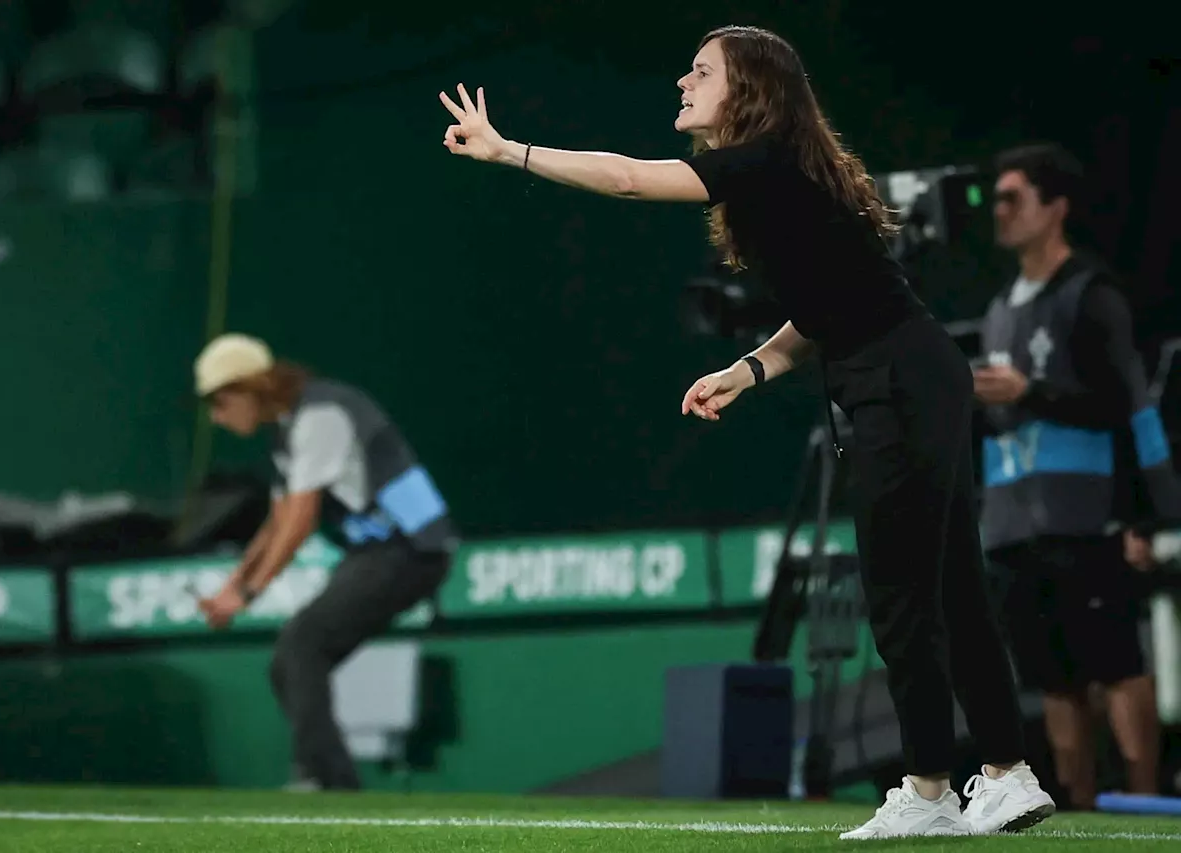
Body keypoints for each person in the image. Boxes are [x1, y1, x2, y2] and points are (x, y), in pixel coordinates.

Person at [439, 25, 1055, 838]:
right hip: (907, 375)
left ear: (750, 91)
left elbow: (627, 180)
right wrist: (751, 368)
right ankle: (997, 776)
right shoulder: (775, 173)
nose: (682, 83)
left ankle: (946, 789)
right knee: (944, 584)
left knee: (907, 593)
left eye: (701, 72)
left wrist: (508, 150)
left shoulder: (761, 157)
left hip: (901, 382)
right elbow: (828, 307)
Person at [975, 143, 1181, 808]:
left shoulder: (1094, 296)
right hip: (1013, 524)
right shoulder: (1001, 306)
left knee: (1118, 664)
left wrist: (1145, 515)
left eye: (1013, 198)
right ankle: (1078, 808)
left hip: (1089, 517)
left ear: (1055, 208)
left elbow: (1127, 405)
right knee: (1054, 678)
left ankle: (1148, 804)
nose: (999, 211)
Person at [193, 332, 455, 790]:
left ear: (248, 389)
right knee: (288, 664)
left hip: (414, 549)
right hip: (378, 552)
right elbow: (275, 523)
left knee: (302, 647)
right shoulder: (286, 433)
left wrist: (251, 593)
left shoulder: (321, 416)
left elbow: (299, 520)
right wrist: (233, 587)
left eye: (217, 403)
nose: (216, 418)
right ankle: (330, 779)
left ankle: (325, 781)